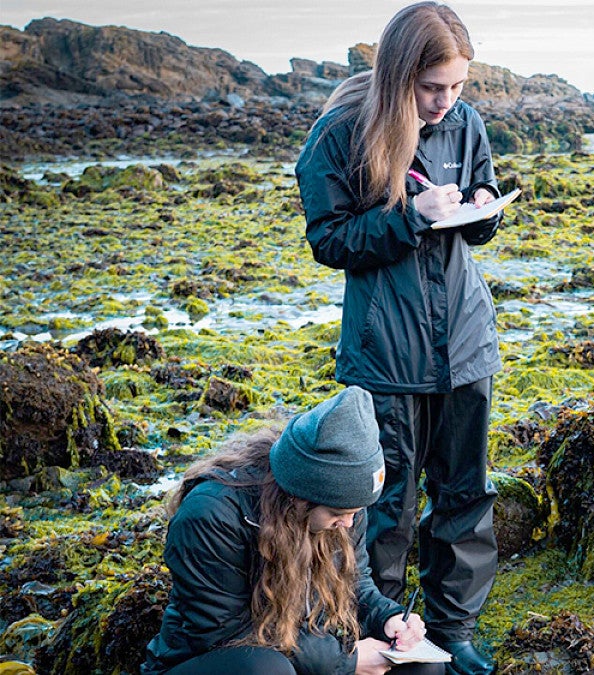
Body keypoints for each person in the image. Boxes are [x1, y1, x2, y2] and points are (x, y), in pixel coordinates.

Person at [294, 4, 500, 673]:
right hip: (386, 351)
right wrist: (410, 216)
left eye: (458, 87)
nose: (446, 102)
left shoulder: (465, 123)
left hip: (465, 340)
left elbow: (481, 205)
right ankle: (378, 632)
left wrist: (481, 208)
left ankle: (452, 625)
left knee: (466, 491)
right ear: (397, 73)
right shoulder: (342, 133)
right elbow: (330, 241)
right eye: (432, 87)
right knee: (385, 503)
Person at [142, 387, 442, 675]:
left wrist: (387, 617)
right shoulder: (211, 515)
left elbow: (355, 583)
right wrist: (345, 662)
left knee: (422, 666)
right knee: (267, 671)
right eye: (338, 513)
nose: (349, 524)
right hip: (219, 660)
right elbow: (224, 630)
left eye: (355, 511)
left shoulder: (344, 505)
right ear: (299, 496)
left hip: (305, 649)